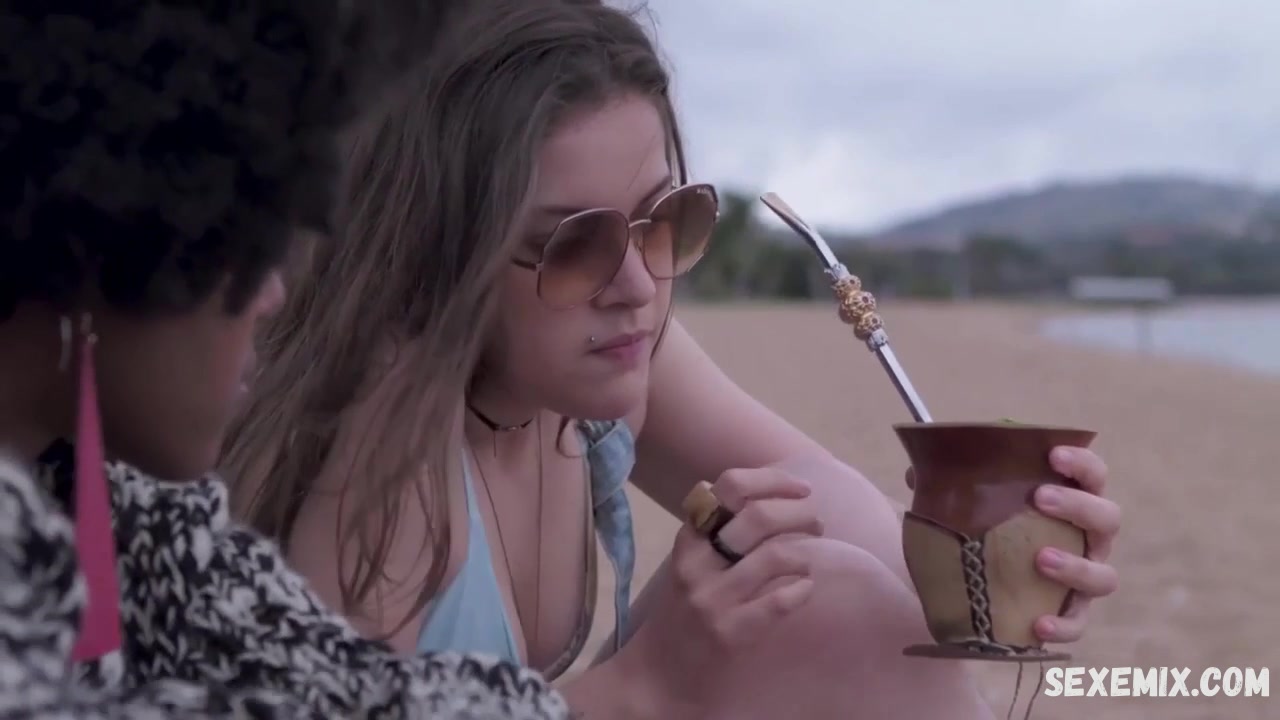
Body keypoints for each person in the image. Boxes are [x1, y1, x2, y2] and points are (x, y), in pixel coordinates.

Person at [222, 2, 1123, 718]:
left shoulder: (601, 343)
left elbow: (830, 507)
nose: (635, 283)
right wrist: (646, 685)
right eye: (574, 244)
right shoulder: (387, 457)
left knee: (829, 580)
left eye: (665, 220)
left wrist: (991, 569)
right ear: (443, 256)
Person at [0, 1, 569, 718]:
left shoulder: (124, 508)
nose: (272, 293)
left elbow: (327, 681)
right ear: (119, 212)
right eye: (250, 231)